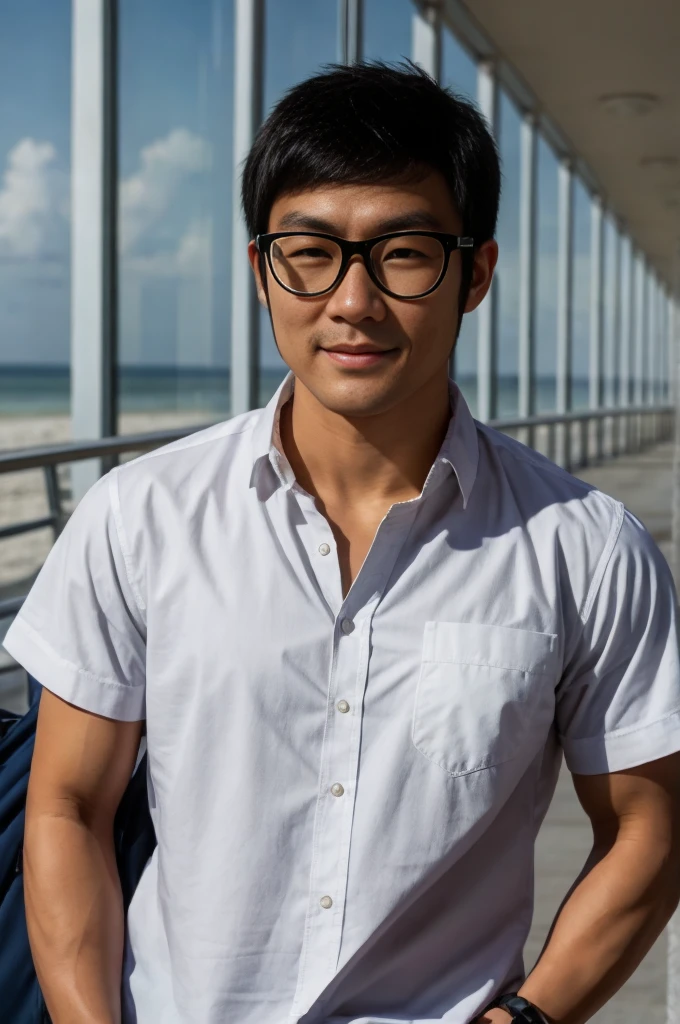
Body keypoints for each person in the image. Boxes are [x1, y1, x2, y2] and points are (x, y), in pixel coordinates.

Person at [4, 62, 680, 1024]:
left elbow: (649, 827)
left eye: (403, 253)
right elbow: (68, 806)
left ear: (475, 273)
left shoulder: (586, 548)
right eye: (310, 252)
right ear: (260, 269)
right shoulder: (138, 517)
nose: (352, 301)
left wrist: (531, 1018)